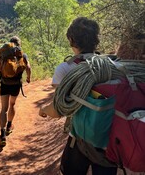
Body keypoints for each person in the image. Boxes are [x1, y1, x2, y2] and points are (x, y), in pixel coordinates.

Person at [39, 17, 117, 175]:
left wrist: (43, 109)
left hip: (79, 140)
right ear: (96, 40)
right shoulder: (112, 65)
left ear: (71, 40)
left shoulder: (65, 69)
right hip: (108, 140)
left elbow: (58, 110)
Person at [0, 36, 31, 147]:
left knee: (4, 109)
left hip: (4, 83)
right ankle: (9, 126)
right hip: (16, 84)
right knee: (12, 104)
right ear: (19, 44)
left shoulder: (3, 54)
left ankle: (2, 134)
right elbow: (28, 68)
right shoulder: (22, 55)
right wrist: (28, 78)